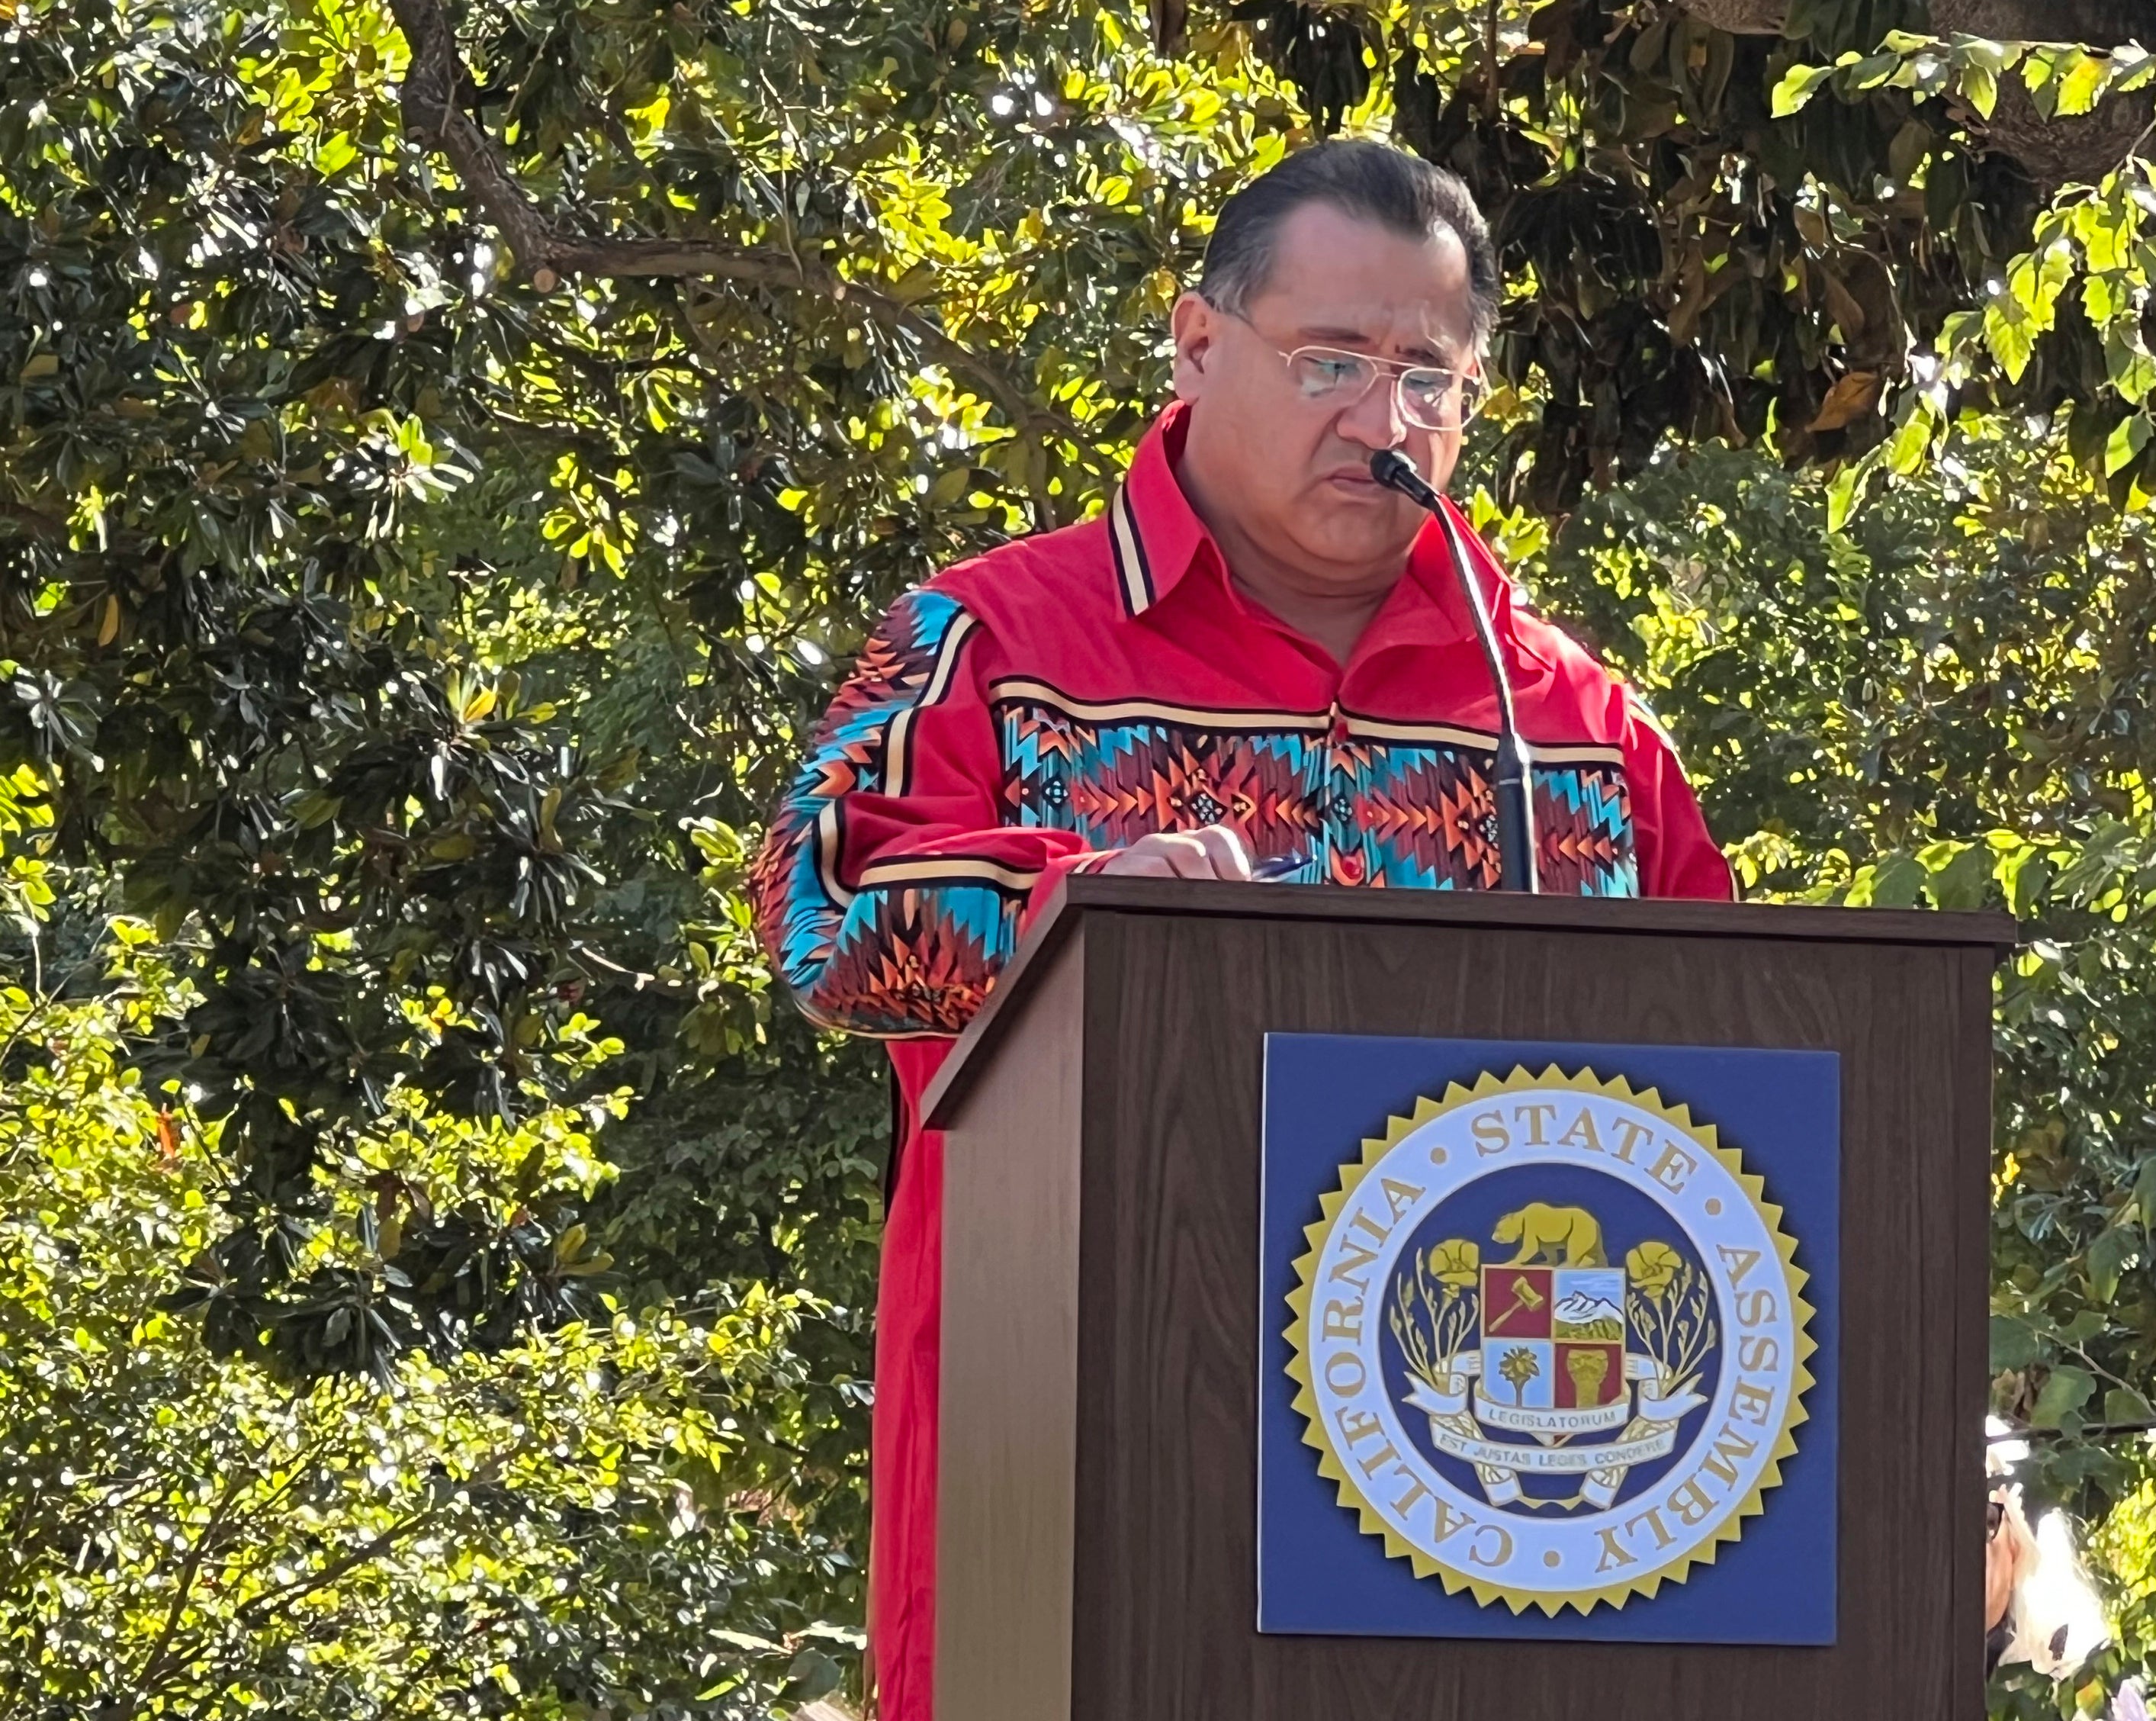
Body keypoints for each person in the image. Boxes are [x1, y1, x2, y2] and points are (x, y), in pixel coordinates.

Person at [750, 137, 1992, 1717]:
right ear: (1200, 343)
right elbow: (811, 914)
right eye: (1331, 359)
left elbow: (1753, 1072)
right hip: (1089, 1514)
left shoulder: (1582, 727)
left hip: (1519, 1564)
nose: (1383, 417)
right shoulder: (989, 640)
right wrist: (1065, 906)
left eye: (1431, 375)